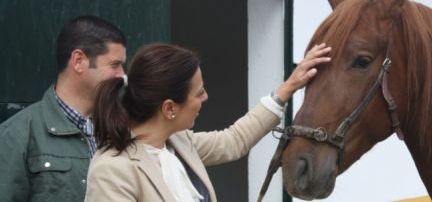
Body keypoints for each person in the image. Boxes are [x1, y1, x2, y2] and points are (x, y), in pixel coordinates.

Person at [84, 43, 331, 202]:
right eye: (199, 93)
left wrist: (289, 87)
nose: (206, 97)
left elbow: (234, 140)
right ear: (169, 108)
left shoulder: (178, 142)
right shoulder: (112, 170)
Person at [0, 16, 127, 202]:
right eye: (115, 65)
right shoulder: (17, 135)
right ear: (78, 61)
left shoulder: (123, 127)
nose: (122, 75)